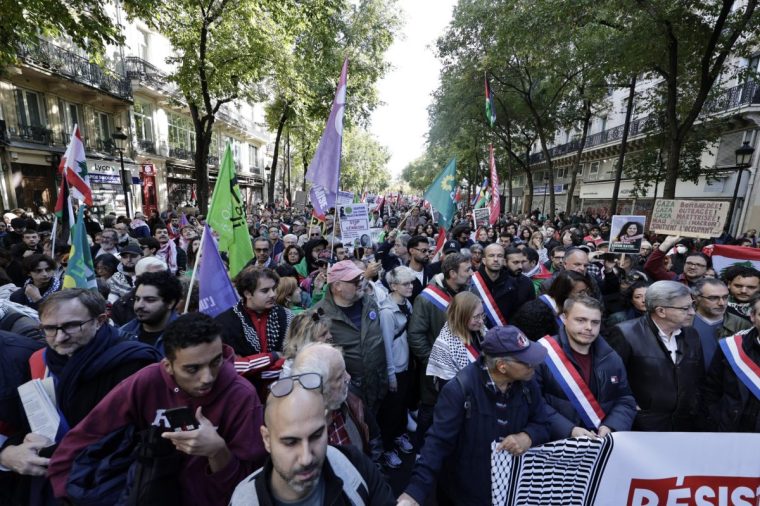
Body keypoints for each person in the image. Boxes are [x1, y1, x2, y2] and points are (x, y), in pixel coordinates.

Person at [49, 312, 266, 506]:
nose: (207, 378)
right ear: (168, 366)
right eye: (192, 369)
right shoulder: (146, 382)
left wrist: (217, 451)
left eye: (216, 362)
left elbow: (249, 484)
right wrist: (64, 493)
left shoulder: (241, 396)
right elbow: (87, 436)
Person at [0, 290, 160, 502]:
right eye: (49, 328)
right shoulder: (39, 361)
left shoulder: (136, 365)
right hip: (47, 482)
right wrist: (8, 453)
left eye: (72, 326)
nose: (59, 337)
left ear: (100, 321)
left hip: (106, 487)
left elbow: (142, 439)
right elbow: (26, 426)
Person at [398, 325, 550, 506]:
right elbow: (437, 443)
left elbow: (543, 423)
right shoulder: (459, 390)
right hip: (465, 495)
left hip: (512, 489)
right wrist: (414, 492)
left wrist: (528, 437)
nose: (534, 364)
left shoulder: (528, 384)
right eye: (527, 361)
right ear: (502, 366)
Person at [229, 370, 394, 505]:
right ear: (266, 439)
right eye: (290, 442)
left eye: (316, 436)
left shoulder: (353, 464)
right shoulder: (244, 500)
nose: (306, 458)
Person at [606, 280, 705, 431]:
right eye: (685, 308)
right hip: (642, 426)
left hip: (684, 424)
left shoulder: (692, 334)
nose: (692, 312)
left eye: (693, 305)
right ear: (661, 311)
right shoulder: (625, 334)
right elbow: (611, 379)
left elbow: (698, 376)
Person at [535, 296, 636, 440]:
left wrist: (612, 426)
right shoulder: (542, 354)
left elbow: (625, 399)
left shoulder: (612, 357)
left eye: (595, 322)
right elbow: (533, 403)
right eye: (581, 320)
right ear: (564, 318)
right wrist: (569, 430)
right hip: (555, 445)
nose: (589, 327)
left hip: (600, 444)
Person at [408, 253, 473, 449]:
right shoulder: (427, 299)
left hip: (464, 365)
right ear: (452, 273)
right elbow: (416, 335)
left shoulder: (468, 292)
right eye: (467, 270)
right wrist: (434, 362)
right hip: (436, 371)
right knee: (430, 411)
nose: (471, 273)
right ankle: (421, 451)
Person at [313, 260, 387, 413]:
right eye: (354, 281)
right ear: (337, 286)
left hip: (377, 383)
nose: (360, 283)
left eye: (360, 278)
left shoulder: (369, 302)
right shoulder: (317, 316)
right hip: (348, 392)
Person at [215, 268, 293, 395]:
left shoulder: (287, 316)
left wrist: (255, 367)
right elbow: (231, 367)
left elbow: (294, 359)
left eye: (273, 288)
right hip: (240, 394)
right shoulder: (225, 323)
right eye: (265, 291)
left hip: (283, 392)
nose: (272, 294)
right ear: (247, 293)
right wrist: (273, 357)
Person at [702, 294, 760, 432]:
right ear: (752, 317)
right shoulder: (731, 346)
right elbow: (711, 389)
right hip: (733, 429)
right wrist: (717, 418)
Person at [377, 266, 415, 468]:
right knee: (390, 411)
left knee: (401, 406)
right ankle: (387, 447)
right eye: (405, 283)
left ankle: (399, 435)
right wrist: (390, 374)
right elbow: (386, 345)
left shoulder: (407, 304)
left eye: (411, 282)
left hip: (407, 363)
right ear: (393, 286)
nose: (410, 286)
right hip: (396, 367)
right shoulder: (386, 312)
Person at [691, 278, 752, 369]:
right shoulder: (683, 322)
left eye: (725, 297)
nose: (722, 303)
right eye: (713, 298)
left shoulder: (742, 325)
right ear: (695, 297)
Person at [427, 292, 485, 386]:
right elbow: (448, 388)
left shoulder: (481, 331)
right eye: (476, 317)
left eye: (482, 315)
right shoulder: (444, 345)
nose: (481, 321)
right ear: (462, 316)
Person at [119, 270, 183, 353]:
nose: (139, 305)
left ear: (170, 303)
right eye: (137, 299)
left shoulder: (186, 336)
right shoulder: (123, 333)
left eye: (150, 300)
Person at [472, 245, 535, 326]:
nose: (495, 259)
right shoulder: (473, 282)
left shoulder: (512, 284)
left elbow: (515, 314)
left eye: (500, 256)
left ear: (504, 261)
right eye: (491, 256)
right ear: (484, 260)